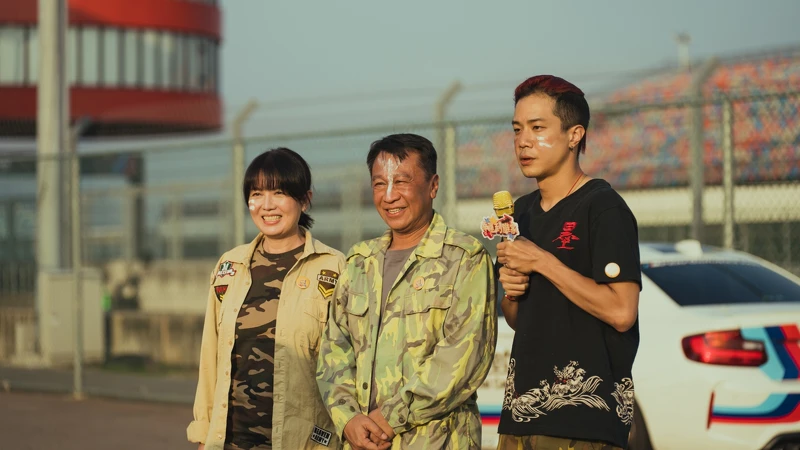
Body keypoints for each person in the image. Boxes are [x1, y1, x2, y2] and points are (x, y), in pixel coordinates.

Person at [317, 133, 497, 449]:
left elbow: (463, 358)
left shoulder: (464, 259)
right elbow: (334, 349)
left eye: (401, 182)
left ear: (433, 186)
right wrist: (348, 420)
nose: (389, 196)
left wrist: (389, 418)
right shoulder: (359, 262)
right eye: (379, 184)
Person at [494, 75, 642, 450]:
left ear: (574, 135)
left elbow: (622, 312)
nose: (523, 141)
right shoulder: (519, 212)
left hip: (584, 423)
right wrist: (511, 292)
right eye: (517, 129)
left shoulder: (603, 207)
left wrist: (542, 261)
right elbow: (517, 318)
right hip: (520, 416)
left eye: (537, 128)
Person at [187, 148, 345, 450]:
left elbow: (347, 366)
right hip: (231, 441)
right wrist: (203, 433)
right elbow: (210, 356)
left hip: (303, 442)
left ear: (305, 199)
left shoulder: (334, 268)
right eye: (257, 194)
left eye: (279, 193)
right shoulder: (229, 266)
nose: (267, 205)